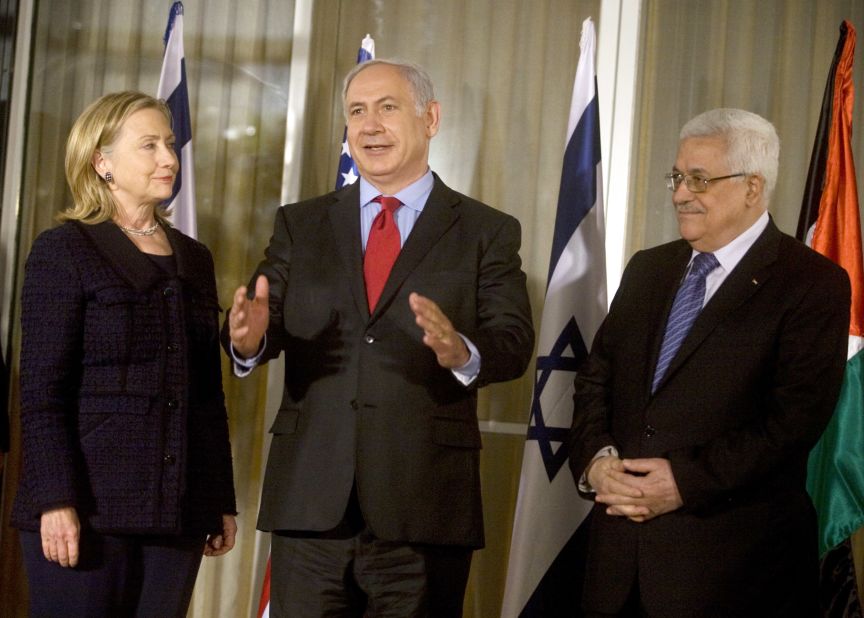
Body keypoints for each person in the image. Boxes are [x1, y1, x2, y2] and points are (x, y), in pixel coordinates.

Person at [224, 59, 534, 617]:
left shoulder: (487, 230)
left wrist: (462, 351)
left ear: (431, 118)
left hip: (424, 509)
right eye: (356, 112)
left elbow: (512, 341)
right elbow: (261, 317)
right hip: (311, 506)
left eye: (388, 108)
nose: (369, 126)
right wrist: (247, 342)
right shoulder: (301, 222)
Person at [569, 108, 851, 617]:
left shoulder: (811, 283)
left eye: (699, 179)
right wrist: (598, 461)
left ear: (752, 187)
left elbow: (793, 423)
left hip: (733, 572)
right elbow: (596, 380)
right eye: (678, 176)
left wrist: (683, 481)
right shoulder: (648, 269)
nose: (680, 193)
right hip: (616, 566)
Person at [12, 91, 237, 617]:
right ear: (102, 162)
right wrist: (54, 500)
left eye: (171, 144)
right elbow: (42, 392)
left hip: (177, 512)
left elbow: (206, 397)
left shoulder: (195, 259)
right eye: (150, 145)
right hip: (85, 515)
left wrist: (218, 497)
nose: (169, 159)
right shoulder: (64, 249)